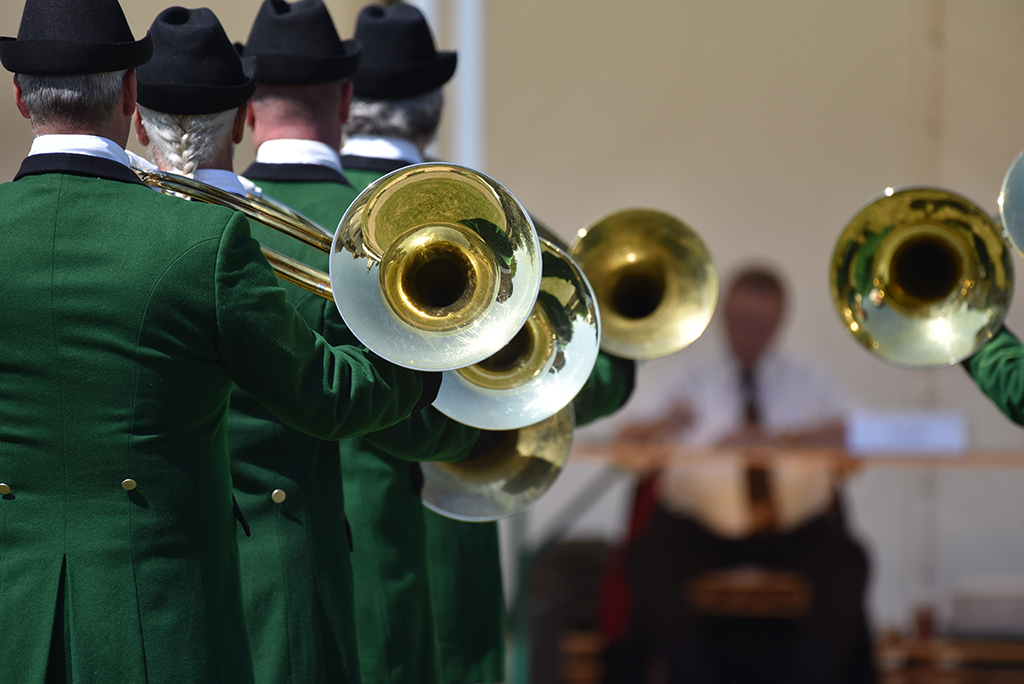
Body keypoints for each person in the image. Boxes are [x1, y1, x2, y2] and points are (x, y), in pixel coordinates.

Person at [0, 0, 440, 682]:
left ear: (21, 99)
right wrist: (425, 356)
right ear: (129, 93)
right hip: (162, 622)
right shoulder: (197, 241)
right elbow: (327, 397)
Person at [340, 6, 637, 684]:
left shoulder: (281, 206)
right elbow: (588, 377)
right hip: (446, 522)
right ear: (432, 108)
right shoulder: (491, 221)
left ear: (346, 102)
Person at [238, 2, 492, 683]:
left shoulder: (218, 216)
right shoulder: (450, 217)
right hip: (392, 524)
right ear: (342, 99)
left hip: (243, 541)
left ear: (248, 107)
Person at [612, 266, 874, 684]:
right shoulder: (689, 377)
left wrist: (777, 441)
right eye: (742, 321)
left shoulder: (806, 381)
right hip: (700, 530)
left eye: (763, 324)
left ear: (779, 322)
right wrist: (666, 423)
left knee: (849, 562)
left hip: (792, 531)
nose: (751, 333)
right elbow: (624, 445)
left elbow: (864, 433)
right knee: (648, 561)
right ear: (723, 317)